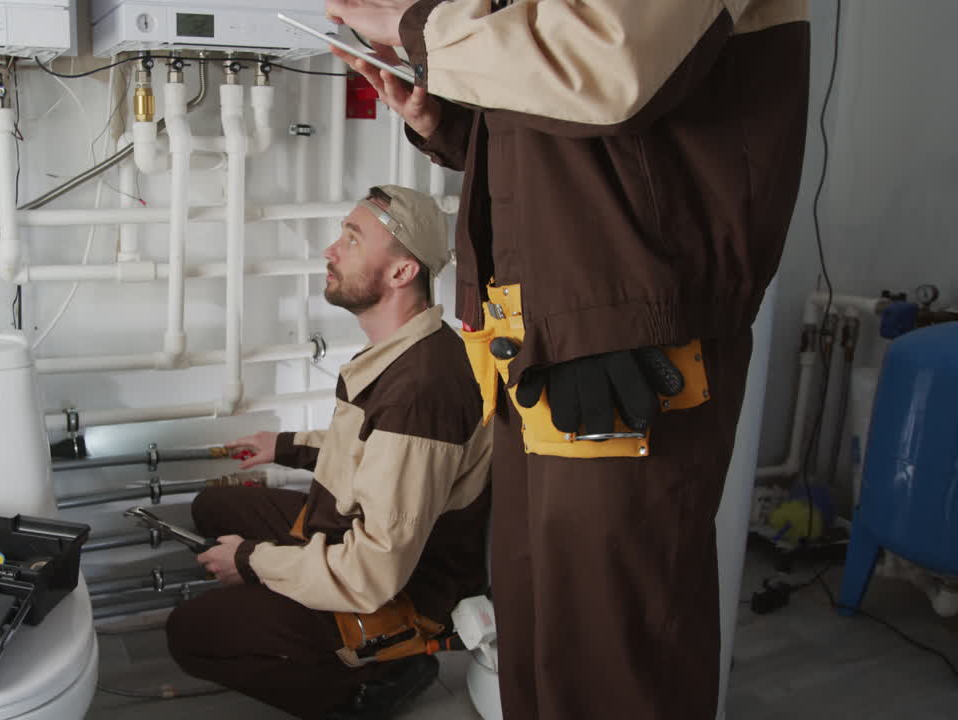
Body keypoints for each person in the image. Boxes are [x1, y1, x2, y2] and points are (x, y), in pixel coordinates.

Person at [325, 1, 811, 718]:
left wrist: (420, 24)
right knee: (541, 641)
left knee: (611, 654)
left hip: (633, 331)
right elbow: (566, 141)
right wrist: (446, 122)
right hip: (550, 335)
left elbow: (613, 62)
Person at [166, 185, 493, 719]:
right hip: (350, 529)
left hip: (400, 591)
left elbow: (372, 572)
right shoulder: (404, 347)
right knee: (212, 508)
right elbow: (367, 451)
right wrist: (284, 446)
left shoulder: (421, 391)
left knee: (189, 635)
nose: (330, 250)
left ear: (401, 273)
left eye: (352, 239)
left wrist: (251, 562)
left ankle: (367, 685)